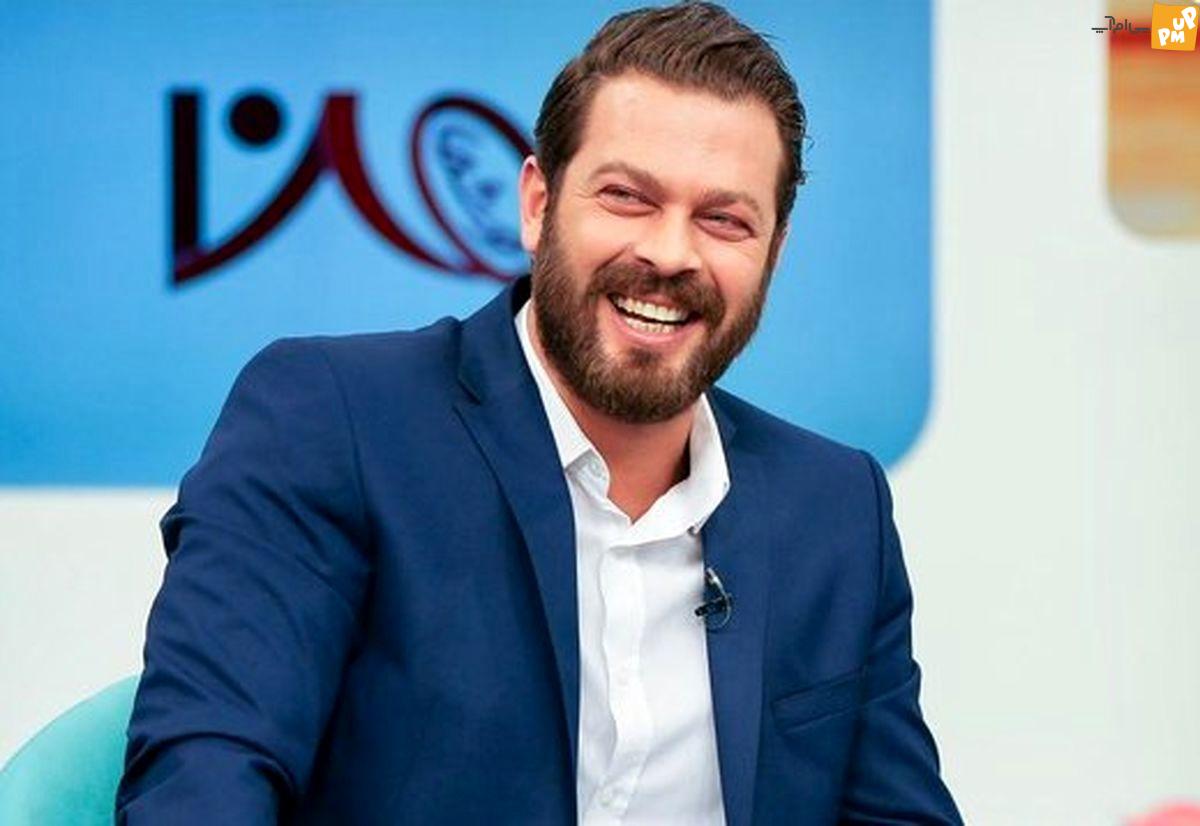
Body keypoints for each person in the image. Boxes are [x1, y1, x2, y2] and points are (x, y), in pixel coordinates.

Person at [117, 3, 962, 823]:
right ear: (537, 203)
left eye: (724, 220)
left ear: (774, 252)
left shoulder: (836, 511)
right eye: (627, 197)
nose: (670, 253)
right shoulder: (333, 420)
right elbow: (205, 773)